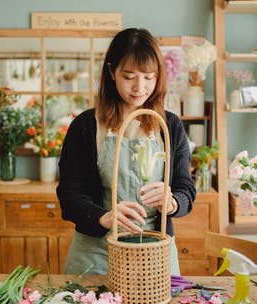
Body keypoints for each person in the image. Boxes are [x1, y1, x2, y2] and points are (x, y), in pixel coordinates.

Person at [56, 27, 196, 275]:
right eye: (129, 76)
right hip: (96, 254)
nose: (139, 87)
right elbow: (69, 195)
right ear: (111, 71)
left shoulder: (170, 126)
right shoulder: (86, 126)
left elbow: (186, 189)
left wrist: (172, 202)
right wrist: (103, 217)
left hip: (156, 251)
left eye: (149, 77)